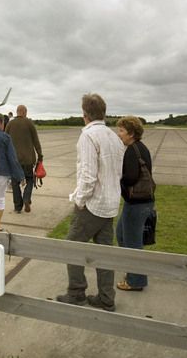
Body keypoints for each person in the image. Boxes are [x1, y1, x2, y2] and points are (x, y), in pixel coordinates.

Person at [56, 94, 124, 312]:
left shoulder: (88, 136)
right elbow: (117, 172)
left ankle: (76, 292)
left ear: (84, 114)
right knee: (105, 253)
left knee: (71, 247)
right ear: (103, 113)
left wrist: (79, 200)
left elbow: (88, 176)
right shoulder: (113, 137)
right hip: (110, 203)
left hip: (93, 204)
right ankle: (106, 297)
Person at [115, 116, 154, 292]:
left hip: (137, 203)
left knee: (132, 243)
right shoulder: (140, 148)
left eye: (122, 131)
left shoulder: (132, 150)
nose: (119, 134)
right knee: (122, 235)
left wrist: (117, 178)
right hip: (139, 202)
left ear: (131, 133)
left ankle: (136, 281)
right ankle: (133, 272)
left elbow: (131, 177)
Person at [5, 105, 43, 213]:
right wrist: (40, 155)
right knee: (30, 179)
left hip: (14, 159)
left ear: (17, 112)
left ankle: (17, 207)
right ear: (25, 112)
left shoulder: (10, 123)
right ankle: (26, 198)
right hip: (28, 159)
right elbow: (36, 141)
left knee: (15, 183)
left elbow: (5, 139)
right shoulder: (29, 123)